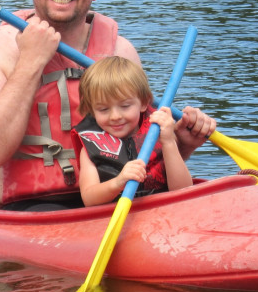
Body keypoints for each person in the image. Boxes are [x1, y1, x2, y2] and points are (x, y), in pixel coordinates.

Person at [0, 0, 216, 210]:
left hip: (116, 201)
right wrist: (31, 62)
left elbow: (145, 155)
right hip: (29, 208)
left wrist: (181, 143)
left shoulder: (121, 52)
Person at [73, 56, 193, 207]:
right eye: (103, 109)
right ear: (92, 110)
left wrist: (169, 142)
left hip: (161, 216)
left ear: (143, 103)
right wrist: (118, 182)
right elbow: (89, 199)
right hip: (111, 219)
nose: (115, 116)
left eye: (125, 106)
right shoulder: (90, 145)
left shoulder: (161, 133)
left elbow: (184, 191)